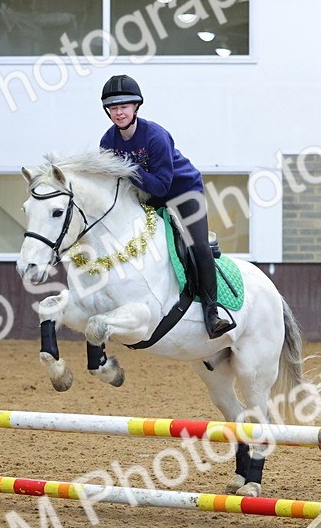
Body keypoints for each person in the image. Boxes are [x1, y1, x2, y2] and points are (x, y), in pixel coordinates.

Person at [99, 74, 234, 338]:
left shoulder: (156, 136)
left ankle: (212, 312)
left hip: (183, 192)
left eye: (124, 106)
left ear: (136, 107)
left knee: (198, 246)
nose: (118, 112)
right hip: (147, 195)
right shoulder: (108, 142)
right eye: (113, 108)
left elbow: (161, 186)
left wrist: (127, 168)